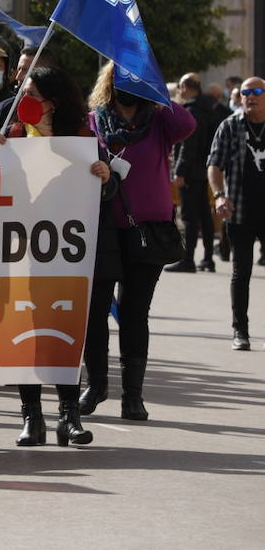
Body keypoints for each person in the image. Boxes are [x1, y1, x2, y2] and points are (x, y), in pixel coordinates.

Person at [0, 66, 108, 447]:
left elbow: (109, 184)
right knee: (24, 334)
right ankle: (31, 416)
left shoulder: (82, 138)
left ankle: (68, 417)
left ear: (52, 103)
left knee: (64, 332)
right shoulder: (10, 133)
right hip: (20, 252)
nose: (22, 100)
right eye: (21, 91)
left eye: (31, 94)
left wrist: (104, 174)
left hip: (66, 257)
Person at [83, 62, 194, 420]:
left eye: (137, 78)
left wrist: (156, 89)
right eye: (123, 77)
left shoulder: (159, 120)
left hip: (148, 232)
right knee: (95, 313)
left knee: (134, 314)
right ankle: (96, 385)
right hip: (101, 232)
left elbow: (187, 124)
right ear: (109, 82)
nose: (129, 84)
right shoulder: (93, 121)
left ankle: (133, 395)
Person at [208, 76, 265, 350]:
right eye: (244, 93)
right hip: (240, 210)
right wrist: (219, 195)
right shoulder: (230, 126)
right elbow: (214, 164)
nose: (250, 97)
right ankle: (239, 331)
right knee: (241, 273)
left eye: (256, 92)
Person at [170, 73, 225, 272]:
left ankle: (188, 259)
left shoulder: (192, 110)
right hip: (204, 170)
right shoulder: (208, 109)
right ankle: (208, 259)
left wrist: (180, 171)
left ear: (184, 86)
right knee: (204, 216)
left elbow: (188, 144)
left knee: (189, 217)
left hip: (191, 172)